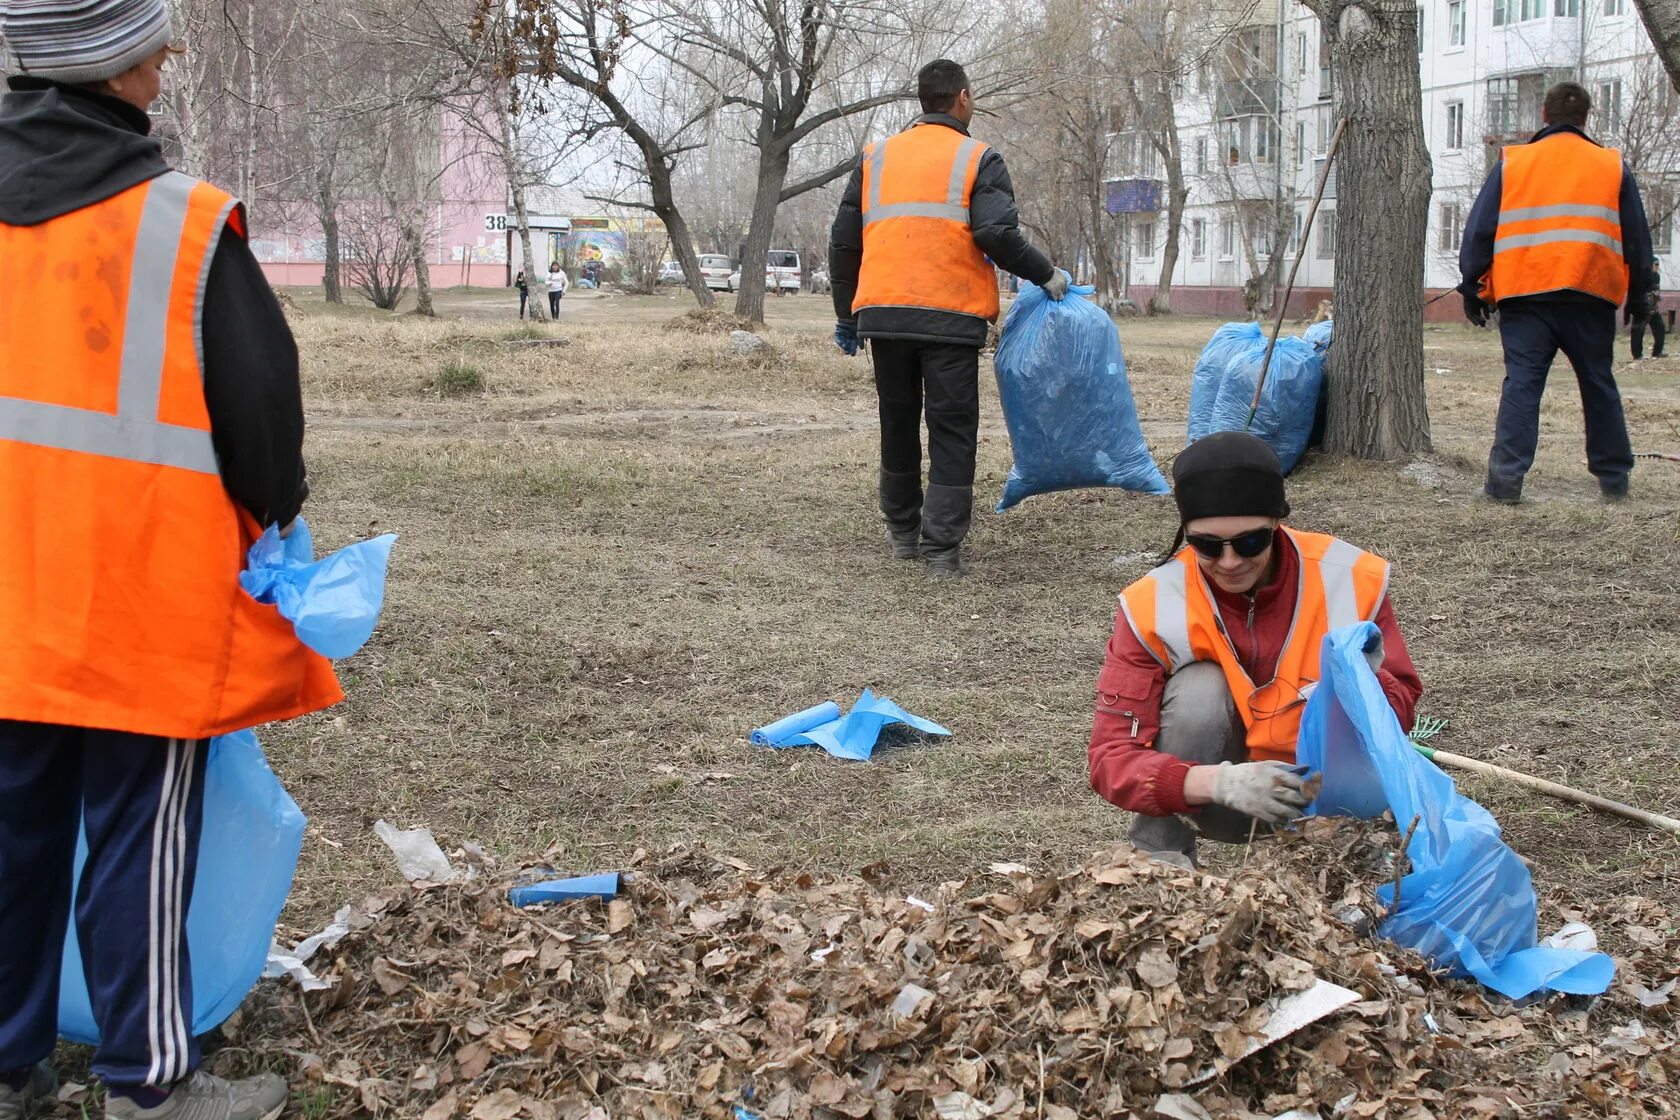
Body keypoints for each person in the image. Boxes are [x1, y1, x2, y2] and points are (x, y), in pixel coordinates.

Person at [0, 2, 343, 1118]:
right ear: (118, 65)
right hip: (136, 601)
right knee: (137, 843)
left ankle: (10, 1063)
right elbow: (262, 423)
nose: (169, 57)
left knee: (11, 831)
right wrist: (279, 515)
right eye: (152, 41)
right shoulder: (182, 228)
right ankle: (147, 1085)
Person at [1088, 433, 1424, 869]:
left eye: (1250, 543)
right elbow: (1110, 759)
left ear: (1278, 523)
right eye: (1207, 545)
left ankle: (1354, 861)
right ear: (1185, 534)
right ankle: (1160, 866)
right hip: (1222, 796)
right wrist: (1218, 782)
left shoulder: (1350, 578)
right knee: (1198, 690)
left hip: (1334, 793)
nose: (1230, 562)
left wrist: (1360, 682)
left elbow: (1403, 706)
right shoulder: (1151, 604)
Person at [829, 58, 1070, 578]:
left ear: (922, 100)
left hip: (885, 314)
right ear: (962, 98)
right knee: (952, 429)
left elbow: (845, 241)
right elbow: (996, 234)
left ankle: (902, 533)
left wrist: (847, 315)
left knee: (896, 423)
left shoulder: (875, 157)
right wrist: (1044, 273)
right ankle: (940, 549)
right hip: (950, 317)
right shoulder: (979, 158)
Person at [1459, 81, 1654, 503]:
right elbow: (1637, 238)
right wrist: (1642, 293)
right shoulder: (1610, 165)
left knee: (1522, 386)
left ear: (1543, 116)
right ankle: (1614, 481)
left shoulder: (1515, 162)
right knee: (1598, 383)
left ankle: (1505, 484)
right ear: (1586, 119)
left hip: (1526, 295)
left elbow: (1479, 230)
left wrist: (1473, 287)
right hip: (1591, 292)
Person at [1631, 260, 1665, 361]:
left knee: (1660, 328)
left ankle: (1657, 352)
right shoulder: (1642, 277)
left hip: (1653, 309)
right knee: (1638, 331)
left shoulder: (1657, 276)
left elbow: (1656, 291)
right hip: (1642, 308)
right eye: (1656, 264)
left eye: (1658, 264)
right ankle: (1637, 355)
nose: (1658, 267)